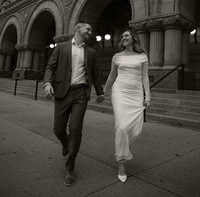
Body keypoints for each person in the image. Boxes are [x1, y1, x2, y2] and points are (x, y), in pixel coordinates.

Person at [43, 21, 104, 186]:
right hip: (62, 93)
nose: (90, 32)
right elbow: (50, 67)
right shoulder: (61, 47)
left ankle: (70, 167)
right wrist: (47, 83)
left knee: (76, 129)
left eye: (91, 30)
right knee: (58, 129)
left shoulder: (91, 52)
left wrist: (99, 92)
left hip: (80, 95)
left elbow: (96, 73)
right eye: (88, 29)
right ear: (78, 29)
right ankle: (66, 144)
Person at [104, 27, 150, 183]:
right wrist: (105, 90)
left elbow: (144, 77)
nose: (123, 38)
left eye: (126, 35)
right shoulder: (117, 57)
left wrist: (147, 96)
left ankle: (122, 145)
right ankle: (121, 163)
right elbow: (112, 75)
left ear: (133, 38)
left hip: (136, 94)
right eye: (122, 36)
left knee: (136, 130)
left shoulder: (142, 57)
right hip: (120, 92)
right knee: (122, 127)